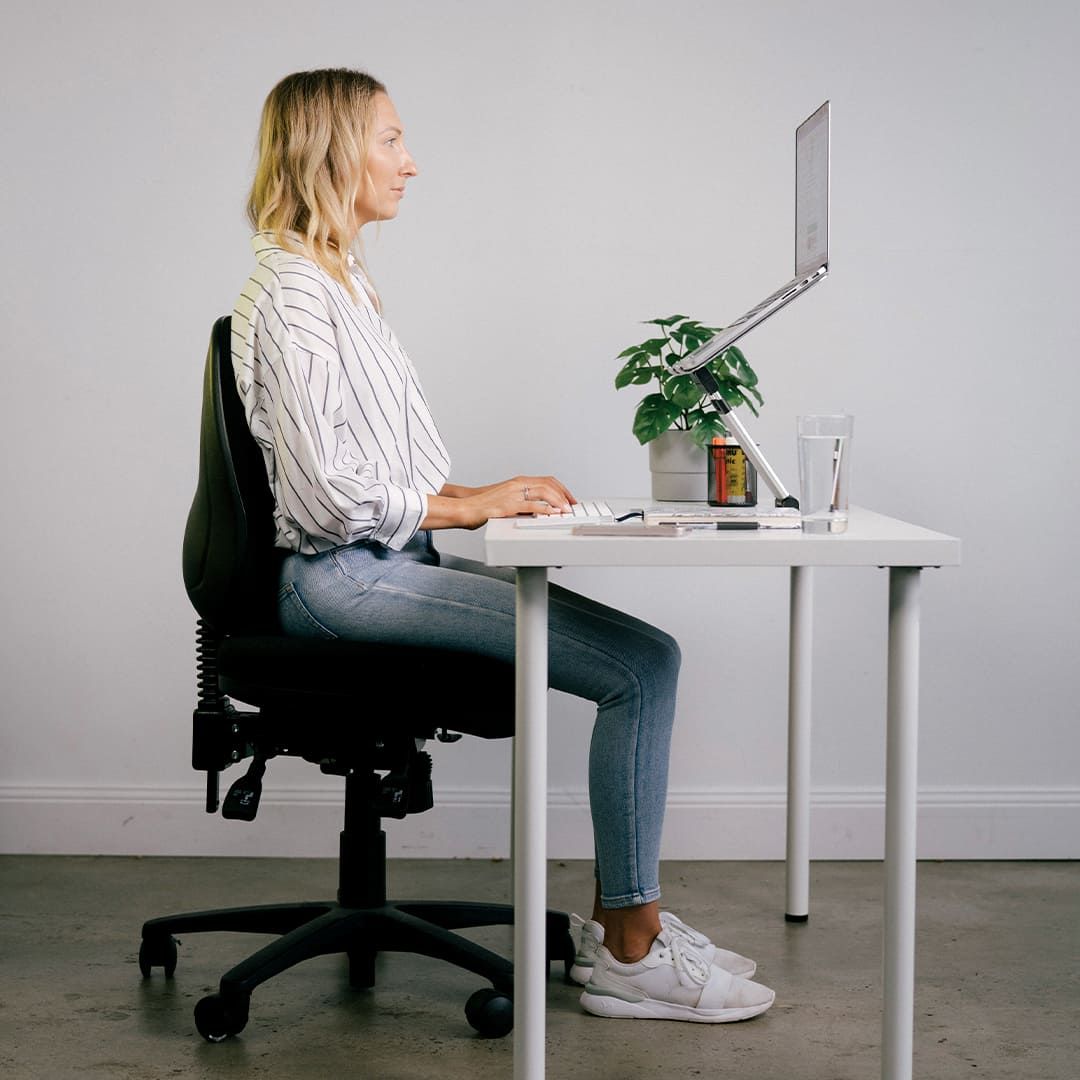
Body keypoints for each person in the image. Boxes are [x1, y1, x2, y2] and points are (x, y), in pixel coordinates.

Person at [231, 67, 774, 1024]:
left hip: (378, 561)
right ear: (329, 150)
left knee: (641, 658)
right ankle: (630, 948)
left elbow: (379, 470)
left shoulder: (342, 283)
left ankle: (624, 926)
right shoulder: (290, 299)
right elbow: (325, 499)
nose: (411, 163)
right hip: (339, 580)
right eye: (390, 140)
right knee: (642, 665)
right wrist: (477, 506)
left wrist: (488, 498)